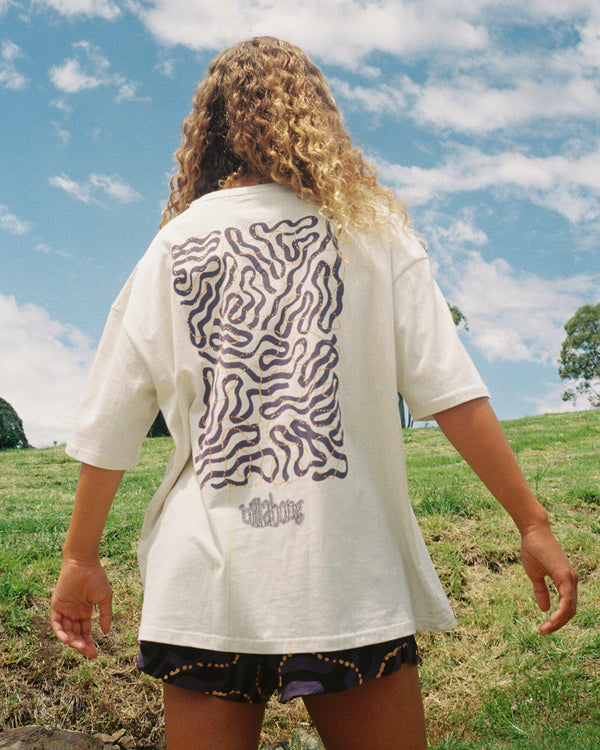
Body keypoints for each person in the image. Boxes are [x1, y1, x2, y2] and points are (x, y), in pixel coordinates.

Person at [51, 36, 578, 750]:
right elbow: (452, 391)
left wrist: (80, 559)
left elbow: (109, 423)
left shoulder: (172, 247)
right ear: (316, 115)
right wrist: (531, 522)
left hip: (203, 585)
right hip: (344, 576)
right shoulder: (371, 232)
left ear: (210, 131)